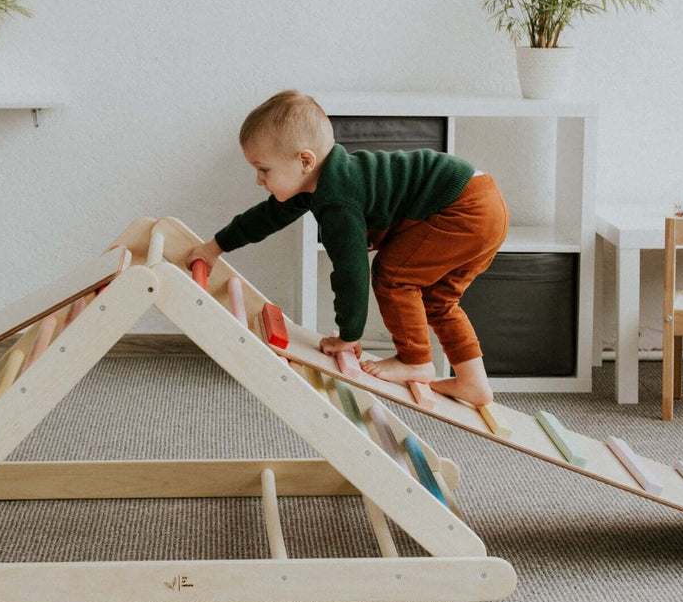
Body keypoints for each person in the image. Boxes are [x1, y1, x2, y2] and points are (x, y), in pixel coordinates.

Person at [184, 90, 508, 406]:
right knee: (439, 300)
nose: (258, 179)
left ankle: (415, 360)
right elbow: (265, 218)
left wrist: (349, 334)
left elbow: (351, 270)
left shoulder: (338, 201)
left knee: (392, 275)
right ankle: (472, 381)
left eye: (263, 169)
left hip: (464, 207)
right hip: (485, 205)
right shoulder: (319, 182)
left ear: (305, 160)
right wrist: (215, 247)